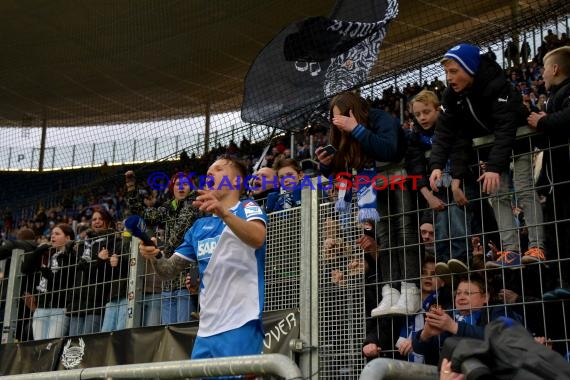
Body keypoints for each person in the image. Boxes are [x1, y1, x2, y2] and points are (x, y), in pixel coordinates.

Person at [139, 156, 267, 359]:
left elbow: (258, 237)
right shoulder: (198, 228)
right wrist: (155, 255)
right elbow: (168, 270)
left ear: (235, 181)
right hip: (206, 331)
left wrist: (223, 213)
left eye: (218, 169)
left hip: (240, 324)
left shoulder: (248, 208)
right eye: (208, 172)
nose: (209, 173)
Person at [429, 43, 537, 270]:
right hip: (493, 153)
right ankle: (510, 251)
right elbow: (446, 133)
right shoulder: (451, 96)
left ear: (470, 68)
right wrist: (437, 165)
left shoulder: (498, 86)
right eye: (447, 72)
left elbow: (506, 127)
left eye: (454, 71)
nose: (449, 78)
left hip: (518, 144)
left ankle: (537, 247)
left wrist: (494, 167)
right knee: (497, 196)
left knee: (525, 190)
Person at [316, 91, 419, 316]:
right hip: (373, 186)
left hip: (399, 177)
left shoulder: (379, 118)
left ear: (353, 111)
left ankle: (411, 289)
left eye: (341, 116)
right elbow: (345, 164)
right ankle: (390, 291)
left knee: (405, 231)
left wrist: (357, 128)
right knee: (384, 237)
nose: (338, 122)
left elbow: (390, 149)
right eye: (334, 118)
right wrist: (325, 165)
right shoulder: (343, 132)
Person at [406, 90, 475, 273]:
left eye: (426, 112)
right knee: (441, 223)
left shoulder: (450, 125)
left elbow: (460, 151)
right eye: (418, 114)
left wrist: (457, 183)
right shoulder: (415, 138)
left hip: (460, 185)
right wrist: (428, 195)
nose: (422, 117)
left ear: (438, 109)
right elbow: (415, 167)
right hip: (437, 191)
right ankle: (443, 260)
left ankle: (461, 259)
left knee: (458, 218)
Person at [125, 170, 202, 325]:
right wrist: (132, 190)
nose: (181, 187)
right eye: (177, 184)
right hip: (168, 281)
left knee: (184, 326)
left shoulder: (194, 203)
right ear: (172, 188)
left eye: (185, 184)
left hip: (189, 274)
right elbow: (143, 214)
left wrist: (162, 252)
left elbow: (181, 229)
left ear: (191, 188)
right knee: (168, 328)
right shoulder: (167, 208)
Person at [527, 45, 570, 299]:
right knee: (558, 230)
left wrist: (543, 122)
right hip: (557, 180)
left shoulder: (566, 92)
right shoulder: (555, 96)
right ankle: (562, 280)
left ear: (555, 69)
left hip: (566, 178)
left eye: (544, 68)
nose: (541, 74)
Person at [411, 275, 521, 365]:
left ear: (485, 297)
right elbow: (422, 350)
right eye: (458, 293)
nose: (461, 297)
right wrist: (425, 335)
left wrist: (454, 327)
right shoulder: (449, 315)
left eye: (468, 293)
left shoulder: (497, 311)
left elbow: (502, 339)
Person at [21, 223, 76, 340]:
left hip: (59, 309)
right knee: (39, 345)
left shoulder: (72, 256)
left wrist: (47, 274)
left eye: (57, 234)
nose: (53, 237)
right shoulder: (48, 255)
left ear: (67, 238)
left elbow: (63, 283)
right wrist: (38, 251)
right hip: (41, 308)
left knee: (52, 346)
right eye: (52, 234)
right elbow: (25, 269)